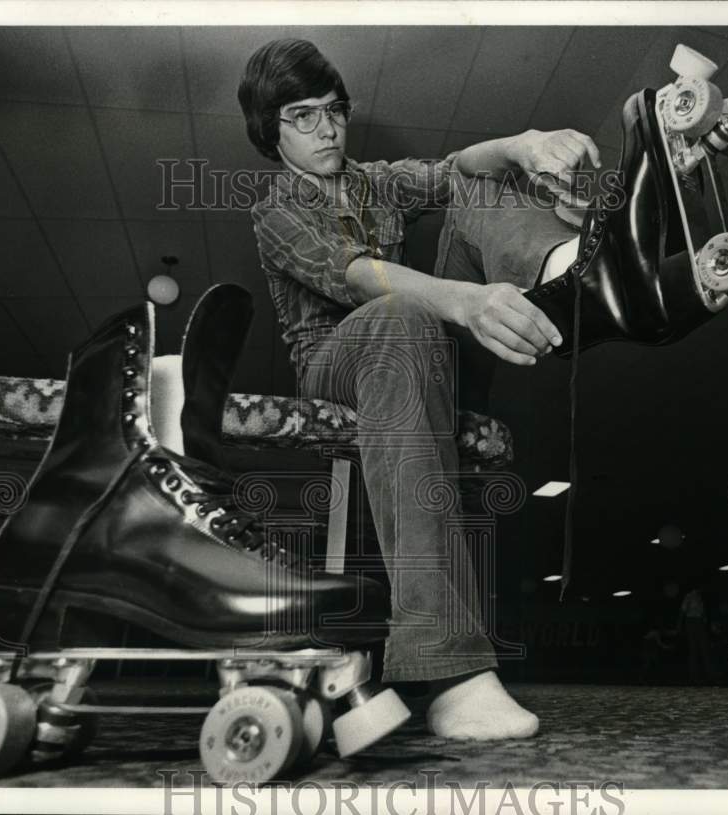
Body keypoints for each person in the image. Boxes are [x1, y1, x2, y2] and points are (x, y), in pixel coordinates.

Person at [238, 38, 599, 741]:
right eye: (303, 116)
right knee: (403, 312)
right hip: (337, 366)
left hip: (421, 355)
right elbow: (354, 276)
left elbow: (455, 168)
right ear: (269, 130)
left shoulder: (373, 180)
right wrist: (461, 300)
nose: (327, 129)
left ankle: (564, 268)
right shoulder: (274, 207)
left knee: (479, 186)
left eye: (335, 111)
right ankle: (449, 673)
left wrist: (522, 144)